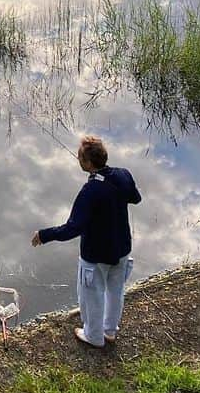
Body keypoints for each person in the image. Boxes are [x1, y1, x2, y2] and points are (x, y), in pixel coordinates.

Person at [31, 135, 141, 349]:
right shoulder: (123, 174)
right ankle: (110, 332)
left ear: (88, 163)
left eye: (80, 157)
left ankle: (93, 336)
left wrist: (44, 235)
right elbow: (136, 198)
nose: (78, 160)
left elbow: (73, 228)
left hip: (96, 255)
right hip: (121, 249)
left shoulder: (89, 191)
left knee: (91, 296)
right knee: (115, 291)